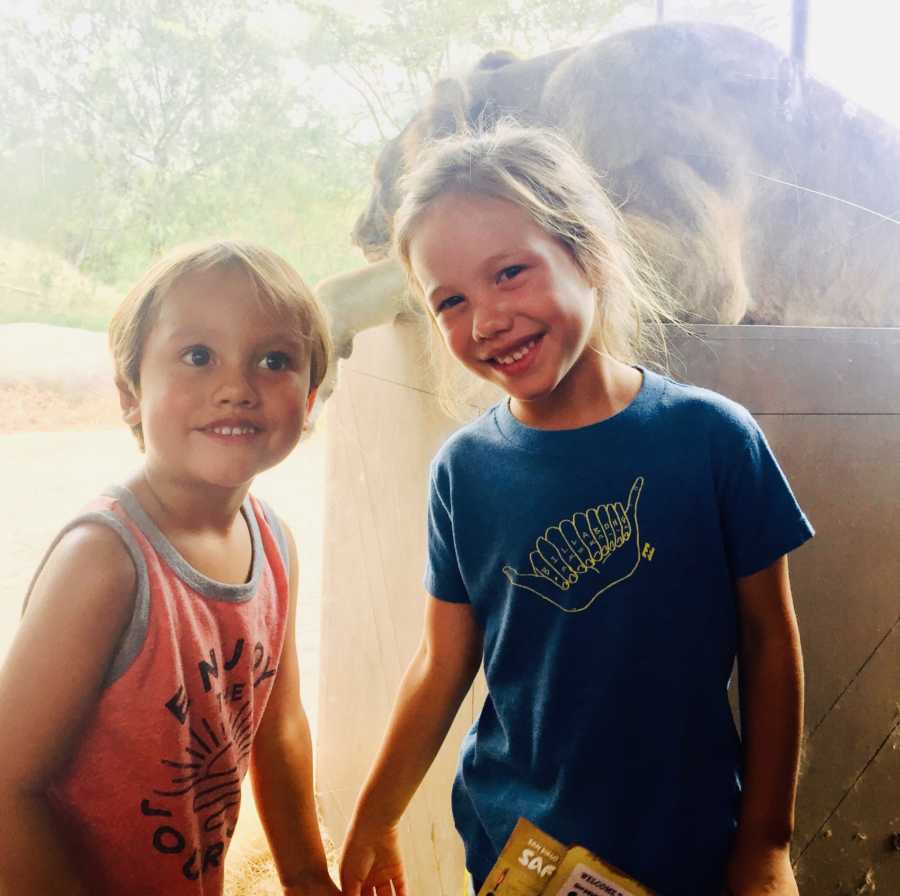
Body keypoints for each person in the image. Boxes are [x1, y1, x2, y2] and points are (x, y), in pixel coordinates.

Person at [338, 125, 813, 896]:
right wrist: (376, 814)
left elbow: (770, 643)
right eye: (450, 300)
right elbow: (442, 659)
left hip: (691, 849)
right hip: (519, 851)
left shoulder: (713, 438)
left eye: (510, 273)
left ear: (587, 254)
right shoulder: (465, 471)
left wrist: (767, 843)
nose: (485, 319)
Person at [0, 241, 341, 895]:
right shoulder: (104, 563)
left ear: (311, 395)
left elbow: (279, 723)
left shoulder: (274, 544)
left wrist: (304, 873)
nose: (237, 387)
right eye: (198, 356)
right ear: (130, 392)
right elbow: (9, 786)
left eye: (274, 360)